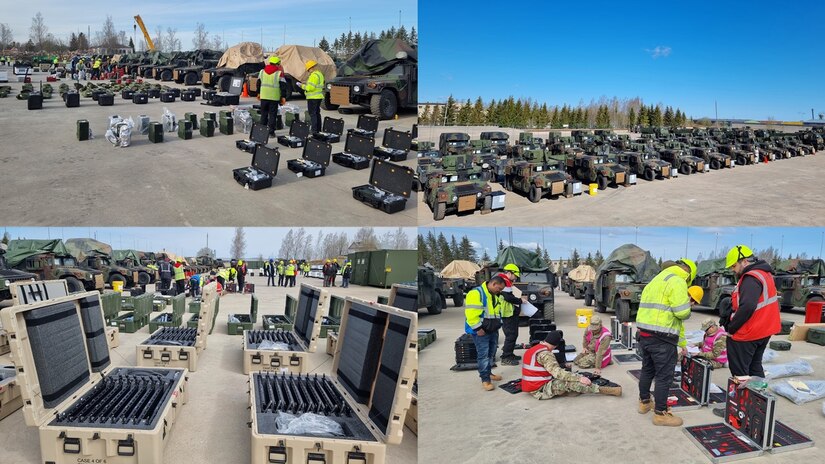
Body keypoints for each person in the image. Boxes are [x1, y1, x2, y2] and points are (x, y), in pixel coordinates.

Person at [635, 258, 696, 427]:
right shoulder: (677, 281)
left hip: (644, 335)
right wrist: (688, 305)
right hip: (662, 338)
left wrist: (682, 342)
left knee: (647, 370)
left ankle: (644, 402)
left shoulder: (655, 281)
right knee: (663, 377)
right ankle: (661, 414)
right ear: (688, 273)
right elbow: (682, 313)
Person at [724, 245, 780, 377]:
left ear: (744, 261)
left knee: (741, 373)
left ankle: (743, 397)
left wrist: (732, 328)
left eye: (733, 266)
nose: (733, 270)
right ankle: (759, 396)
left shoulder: (750, 278)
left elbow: (748, 306)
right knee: (755, 366)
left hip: (749, 332)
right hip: (764, 330)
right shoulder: (764, 274)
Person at [522, 330, 622, 399]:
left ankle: (568, 390)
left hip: (531, 385)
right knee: (573, 383)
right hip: (539, 388)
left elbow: (540, 368)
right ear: (556, 345)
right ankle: (603, 390)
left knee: (570, 377)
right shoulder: (546, 354)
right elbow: (558, 374)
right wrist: (579, 379)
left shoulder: (535, 349)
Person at [465, 275, 507, 391]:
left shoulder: (494, 295)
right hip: (481, 331)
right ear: (493, 284)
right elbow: (471, 314)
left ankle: (488, 373)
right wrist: (478, 329)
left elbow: (496, 312)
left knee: (491, 353)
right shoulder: (476, 293)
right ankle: (485, 379)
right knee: (483, 355)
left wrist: (499, 323)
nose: (500, 291)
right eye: (499, 288)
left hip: (492, 329)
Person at [498, 264, 527, 366]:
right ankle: (506, 357)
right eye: (515, 275)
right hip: (507, 313)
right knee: (510, 335)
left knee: (513, 334)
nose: (516, 278)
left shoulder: (506, 281)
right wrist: (520, 300)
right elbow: (508, 298)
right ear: (509, 273)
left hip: (510, 312)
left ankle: (510, 354)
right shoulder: (503, 281)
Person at [257, 56, 287, 136]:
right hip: (274, 97)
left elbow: (258, 83)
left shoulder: (262, 72)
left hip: (263, 96)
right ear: (277, 64)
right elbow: (283, 86)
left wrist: (258, 93)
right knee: (272, 115)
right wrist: (283, 96)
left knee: (263, 114)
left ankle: (261, 131)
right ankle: (271, 132)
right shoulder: (279, 73)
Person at [298, 60, 324, 133]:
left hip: (313, 98)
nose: (308, 71)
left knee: (313, 114)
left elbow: (310, 88)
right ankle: (318, 129)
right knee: (317, 113)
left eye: (308, 69)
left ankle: (314, 130)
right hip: (318, 97)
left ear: (311, 68)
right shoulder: (319, 74)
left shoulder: (313, 75)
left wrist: (301, 86)